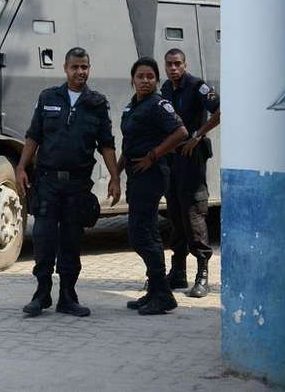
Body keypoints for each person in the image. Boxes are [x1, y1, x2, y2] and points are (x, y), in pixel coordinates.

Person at [15, 47, 121, 317]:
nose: (80, 72)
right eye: (75, 67)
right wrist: (21, 167)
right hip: (48, 182)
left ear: (89, 69)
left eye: (84, 67)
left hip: (77, 185)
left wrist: (115, 177)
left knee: (72, 241)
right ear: (65, 68)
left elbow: (106, 145)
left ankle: (67, 296)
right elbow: (33, 136)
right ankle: (41, 294)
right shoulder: (48, 97)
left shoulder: (97, 103)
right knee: (43, 238)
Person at [119, 57, 188, 315]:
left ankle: (163, 293)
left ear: (157, 80)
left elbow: (181, 132)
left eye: (150, 76)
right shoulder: (132, 106)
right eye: (141, 76)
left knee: (140, 234)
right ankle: (155, 290)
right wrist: (115, 173)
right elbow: (129, 144)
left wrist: (154, 155)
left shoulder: (159, 104)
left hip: (152, 175)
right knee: (146, 232)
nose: (145, 80)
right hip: (135, 176)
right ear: (133, 79)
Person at [161, 48, 221, 298]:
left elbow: (221, 110)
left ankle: (202, 274)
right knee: (174, 213)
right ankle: (178, 272)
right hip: (172, 160)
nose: (173, 68)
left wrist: (198, 136)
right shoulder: (165, 88)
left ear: (185, 65)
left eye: (177, 64)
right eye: (169, 64)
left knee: (194, 213)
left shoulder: (198, 86)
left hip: (192, 159)